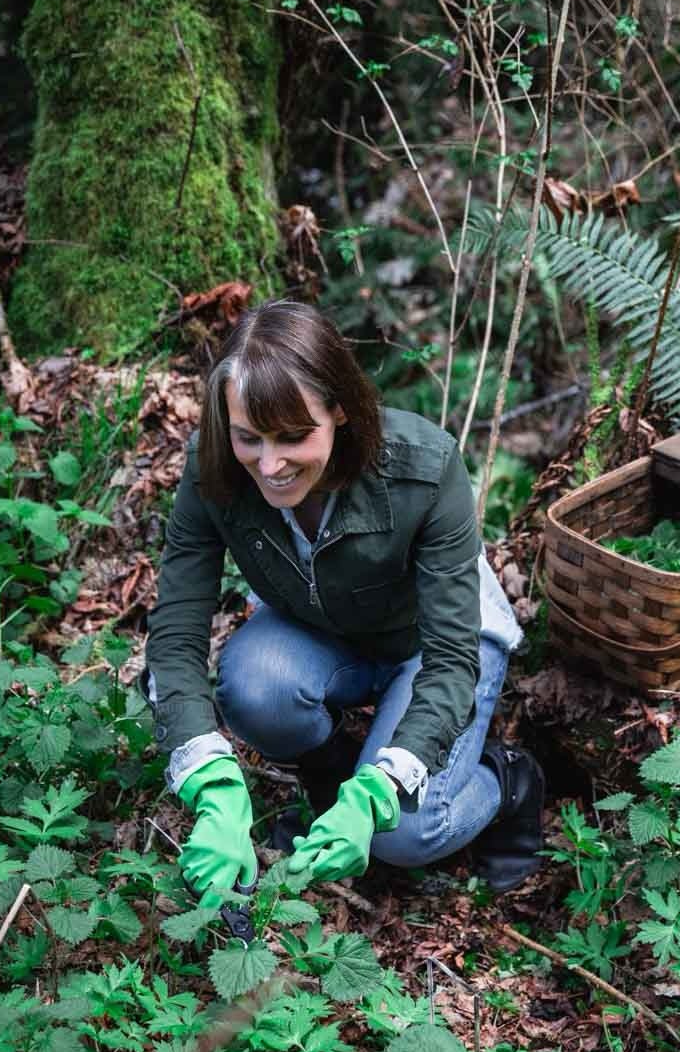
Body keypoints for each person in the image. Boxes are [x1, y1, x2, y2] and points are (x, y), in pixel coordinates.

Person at [144, 299, 545, 904]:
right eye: (248, 437)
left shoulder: (425, 468)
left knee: (406, 835)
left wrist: (381, 790)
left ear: (339, 410)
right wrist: (209, 780)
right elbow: (175, 634)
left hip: (431, 646)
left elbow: (451, 659)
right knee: (255, 685)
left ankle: (508, 781)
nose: (271, 465)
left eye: (294, 437)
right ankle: (332, 790)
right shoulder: (213, 470)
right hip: (323, 633)